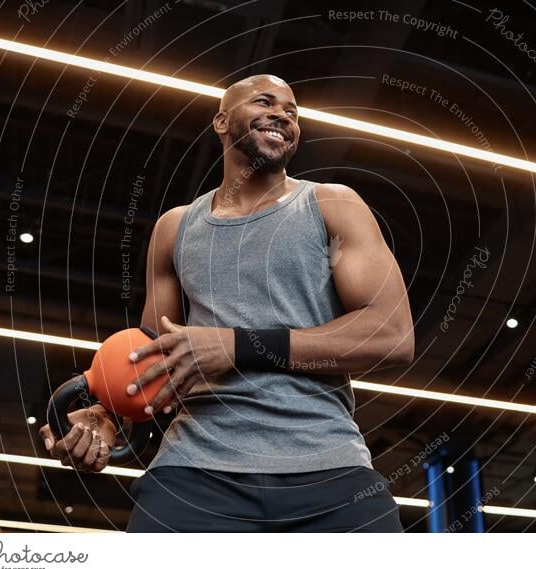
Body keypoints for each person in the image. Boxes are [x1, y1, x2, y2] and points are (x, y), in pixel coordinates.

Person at [39, 74, 414, 532]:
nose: (282, 114)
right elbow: (154, 361)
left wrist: (238, 345)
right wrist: (105, 418)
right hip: (194, 470)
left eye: (292, 111)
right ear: (221, 121)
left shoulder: (332, 205)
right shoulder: (175, 229)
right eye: (264, 101)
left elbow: (392, 336)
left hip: (325, 464)